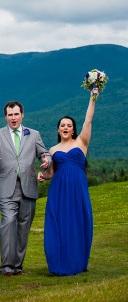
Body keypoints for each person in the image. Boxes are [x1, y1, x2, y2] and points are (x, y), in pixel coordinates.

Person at [0, 100, 50, 276]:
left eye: (16, 114)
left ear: (22, 115)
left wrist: (46, 160)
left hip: (28, 186)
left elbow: (45, 153)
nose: (13, 118)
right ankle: (6, 266)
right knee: (7, 223)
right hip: (7, 186)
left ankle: (17, 265)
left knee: (24, 227)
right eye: (10, 115)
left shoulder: (34, 134)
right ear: (5, 116)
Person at [38, 88, 99, 275]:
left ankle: (77, 261)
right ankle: (58, 263)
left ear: (74, 129)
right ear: (58, 129)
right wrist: (43, 176)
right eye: (62, 125)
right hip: (59, 191)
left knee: (79, 222)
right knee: (59, 223)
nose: (65, 128)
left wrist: (93, 98)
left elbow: (88, 120)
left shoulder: (82, 142)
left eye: (69, 125)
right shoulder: (53, 149)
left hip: (77, 189)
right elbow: (51, 173)